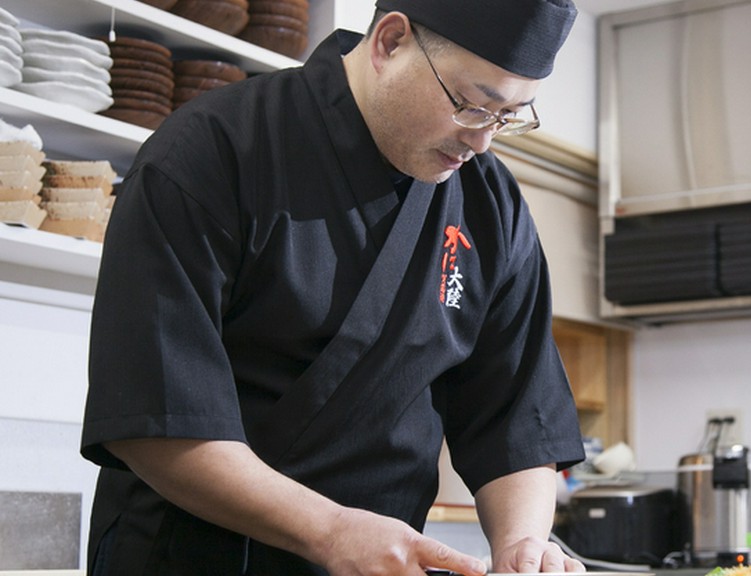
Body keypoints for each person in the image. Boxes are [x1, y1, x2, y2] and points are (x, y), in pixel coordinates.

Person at [79, 0, 586, 573]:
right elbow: (156, 417)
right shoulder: (212, 150)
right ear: (390, 42)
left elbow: (517, 417)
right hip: (192, 557)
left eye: (510, 116)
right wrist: (330, 531)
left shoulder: (492, 206)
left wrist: (522, 546)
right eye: (472, 106)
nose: (483, 142)